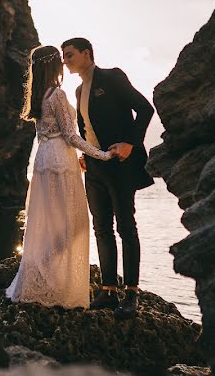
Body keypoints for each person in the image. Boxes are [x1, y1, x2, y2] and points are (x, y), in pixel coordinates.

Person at [6, 45, 114, 308]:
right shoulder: (56, 94)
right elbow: (70, 135)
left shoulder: (38, 96)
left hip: (43, 161)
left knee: (48, 222)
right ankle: (57, 286)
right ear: (53, 65)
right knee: (71, 225)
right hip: (60, 162)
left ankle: (43, 279)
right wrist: (101, 154)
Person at [61, 37, 154, 319]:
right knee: (102, 227)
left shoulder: (112, 77)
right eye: (64, 56)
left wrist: (130, 143)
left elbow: (145, 109)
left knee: (126, 226)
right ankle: (108, 290)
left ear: (86, 54)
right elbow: (84, 127)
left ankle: (132, 294)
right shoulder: (77, 91)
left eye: (70, 55)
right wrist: (85, 154)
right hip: (94, 166)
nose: (65, 60)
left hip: (121, 163)